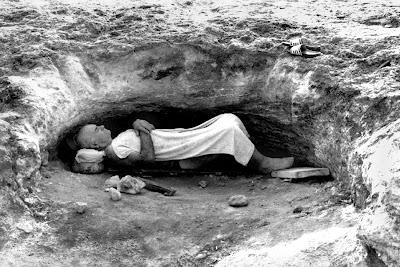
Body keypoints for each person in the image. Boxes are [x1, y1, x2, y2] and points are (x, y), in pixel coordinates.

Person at [72, 113, 294, 174]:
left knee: (228, 118)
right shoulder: (113, 151)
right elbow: (147, 160)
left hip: (177, 139)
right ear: (95, 147)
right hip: (177, 152)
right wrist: (141, 129)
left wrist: (138, 127)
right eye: (96, 130)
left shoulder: (117, 141)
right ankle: (262, 164)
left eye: (98, 125)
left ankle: (247, 156)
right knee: (228, 131)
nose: (101, 127)